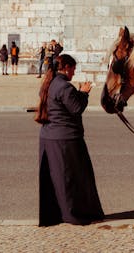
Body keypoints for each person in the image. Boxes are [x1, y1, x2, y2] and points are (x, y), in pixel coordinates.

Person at [35, 54, 104, 226]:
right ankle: (74, 214)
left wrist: (78, 92)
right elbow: (76, 108)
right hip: (66, 139)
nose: (73, 72)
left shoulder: (50, 83)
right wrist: (85, 93)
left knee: (55, 179)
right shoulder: (64, 86)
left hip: (48, 138)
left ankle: (57, 214)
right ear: (66, 67)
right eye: (73, 68)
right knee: (73, 179)